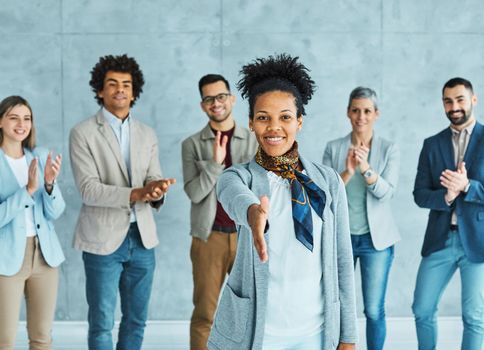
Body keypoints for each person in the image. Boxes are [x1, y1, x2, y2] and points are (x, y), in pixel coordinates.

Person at [207, 54, 357, 350]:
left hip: (315, 331)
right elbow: (232, 195)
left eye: (285, 117)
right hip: (257, 332)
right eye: (263, 117)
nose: (274, 127)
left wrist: (348, 336)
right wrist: (252, 213)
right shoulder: (239, 177)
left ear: (299, 121)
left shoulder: (327, 182)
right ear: (251, 123)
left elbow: (342, 260)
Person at [69, 54, 176, 350]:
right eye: (112, 84)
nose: (120, 89)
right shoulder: (83, 133)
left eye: (126, 85)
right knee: (102, 322)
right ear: (100, 90)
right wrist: (136, 193)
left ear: (134, 91)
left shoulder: (147, 133)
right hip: (102, 240)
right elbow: (88, 190)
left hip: (142, 238)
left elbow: (153, 177)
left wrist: (156, 191)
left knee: (137, 320)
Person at [182, 74, 257, 350]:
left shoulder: (252, 140)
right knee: (205, 314)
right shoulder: (192, 144)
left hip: (245, 236)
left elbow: (259, 187)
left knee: (249, 311)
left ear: (232, 99)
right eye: (209, 99)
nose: (216, 103)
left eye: (221, 96)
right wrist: (214, 165)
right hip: (208, 238)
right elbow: (194, 193)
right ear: (203, 105)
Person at [323, 87, 400, 350]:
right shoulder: (333, 148)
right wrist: (347, 171)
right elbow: (324, 196)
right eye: (355, 110)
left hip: (376, 242)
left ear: (376, 114)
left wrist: (366, 169)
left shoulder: (389, 149)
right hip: (341, 239)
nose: (361, 116)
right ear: (348, 112)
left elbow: (386, 193)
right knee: (338, 305)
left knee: (374, 309)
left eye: (367, 111)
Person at [412, 77, 483, 350]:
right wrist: (446, 196)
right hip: (440, 238)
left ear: (473, 100)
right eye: (448, 101)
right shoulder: (432, 144)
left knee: (475, 316)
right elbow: (419, 194)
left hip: (478, 242)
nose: (454, 106)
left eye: (460, 99)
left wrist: (468, 186)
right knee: (422, 308)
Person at [0, 95, 65, 350]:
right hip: (6, 258)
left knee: (41, 337)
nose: (21, 124)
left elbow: (55, 212)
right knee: (4, 339)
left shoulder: (39, 156)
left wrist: (48, 185)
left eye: (26, 118)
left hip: (45, 257)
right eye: (13, 117)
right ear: (1, 122)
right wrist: (26, 191)